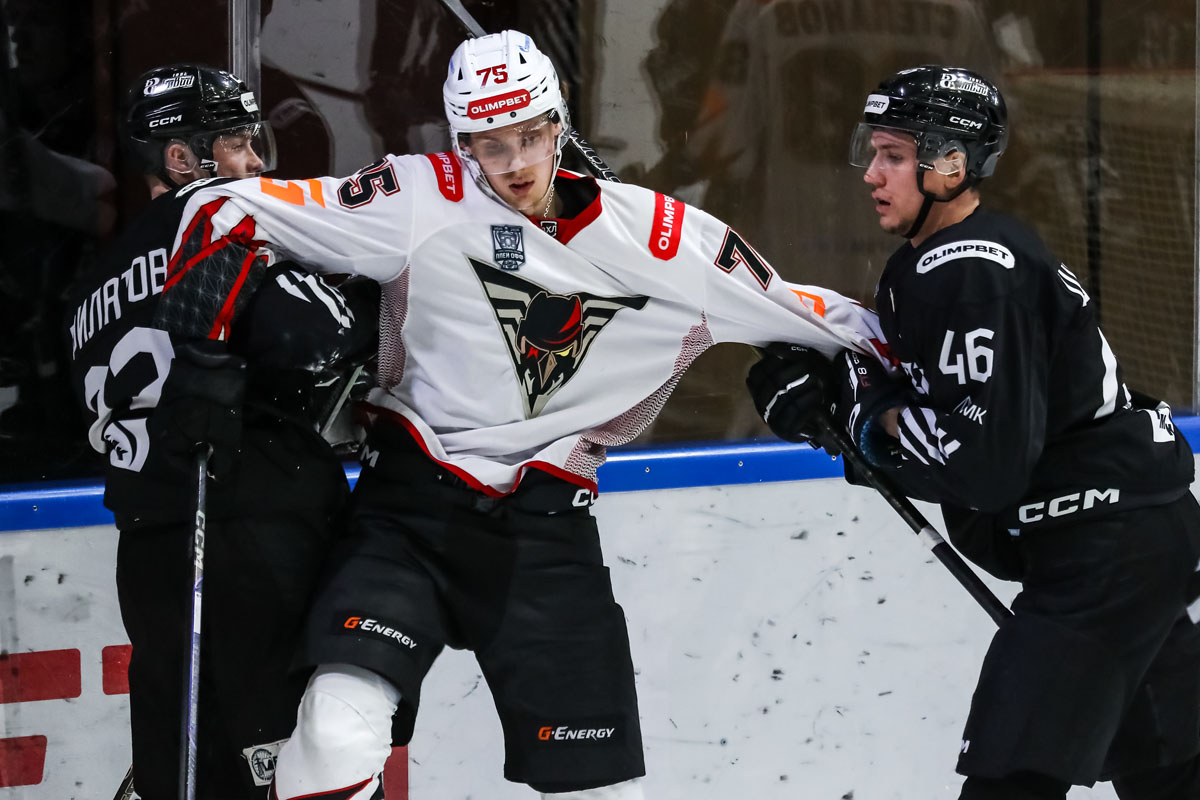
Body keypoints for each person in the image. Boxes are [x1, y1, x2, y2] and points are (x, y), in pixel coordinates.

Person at [160, 30, 886, 800]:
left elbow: (837, 322)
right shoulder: (418, 198)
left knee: (602, 794)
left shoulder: (665, 242)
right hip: (407, 514)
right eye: (490, 144)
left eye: (531, 136)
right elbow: (218, 206)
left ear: (559, 122)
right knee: (333, 735)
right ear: (461, 142)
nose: (514, 163)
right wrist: (205, 350)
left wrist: (851, 392)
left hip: (546, 530)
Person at [746, 65, 1200, 799]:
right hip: (1128, 538)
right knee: (1169, 774)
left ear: (951, 165)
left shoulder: (969, 271)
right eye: (872, 152)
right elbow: (951, 410)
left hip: (1103, 555)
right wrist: (847, 393)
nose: (871, 173)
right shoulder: (941, 264)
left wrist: (864, 416)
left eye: (894, 155)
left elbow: (983, 466)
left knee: (1010, 776)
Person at [64, 64, 373, 799]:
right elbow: (309, 337)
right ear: (182, 158)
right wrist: (371, 307)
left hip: (148, 552)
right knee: (299, 773)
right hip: (249, 533)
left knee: (185, 777)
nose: (256, 162)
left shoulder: (89, 286)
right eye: (237, 142)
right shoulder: (217, 219)